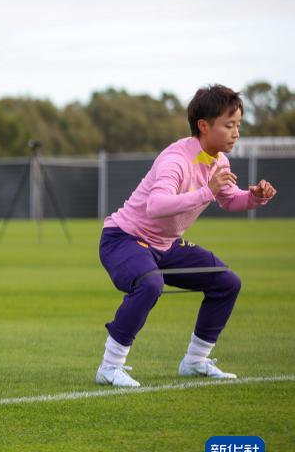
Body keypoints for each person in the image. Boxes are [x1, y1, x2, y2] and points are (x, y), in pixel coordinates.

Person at [95, 85, 277, 388]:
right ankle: (110, 366)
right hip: (123, 239)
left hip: (165, 245)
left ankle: (195, 362)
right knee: (150, 283)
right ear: (204, 126)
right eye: (229, 125)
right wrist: (208, 191)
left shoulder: (219, 160)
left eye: (238, 126)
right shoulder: (176, 159)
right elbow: (156, 206)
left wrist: (255, 197)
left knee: (226, 282)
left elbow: (230, 199)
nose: (236, 133)